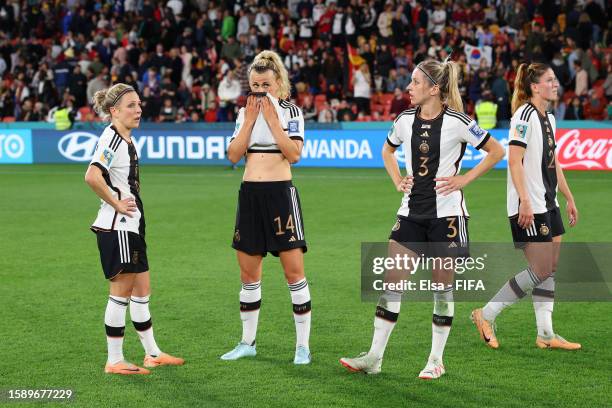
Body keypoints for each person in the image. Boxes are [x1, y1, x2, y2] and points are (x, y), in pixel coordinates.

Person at [339, 59, 504, 379]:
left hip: (447, 217)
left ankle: (436, 360)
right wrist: (396, 178)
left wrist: (464, 180)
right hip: (411, 212)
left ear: (434, 88)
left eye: (415, 82)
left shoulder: (458, 121)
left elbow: (496, 151)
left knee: (442, 290)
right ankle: (374, 357)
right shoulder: (404, 120)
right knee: (392, 284)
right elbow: (387, 151)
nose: (408, 87)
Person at [471, 63, 581, 351]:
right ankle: (486, 314)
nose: (555, 84)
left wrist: (568, 197)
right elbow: (514, 160)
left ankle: (546, 334)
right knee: (541, 268)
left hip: (549, 201)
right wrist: (524, 201)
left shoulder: (550, 118)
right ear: (535, 86)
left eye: (555, 79)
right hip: (529, 203)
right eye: (550, 80)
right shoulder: (524, 115)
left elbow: (553, 162)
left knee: (550, 267)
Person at [85, 83, 185, 375]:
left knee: (142, 291)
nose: (138, 109)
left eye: (139, 104)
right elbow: (92, 176)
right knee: (120, 294)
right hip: (119, 229)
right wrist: (116, 203)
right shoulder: (113, 139)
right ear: (114, 111)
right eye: (131, 105)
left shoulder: (125, 139)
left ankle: (152, 353)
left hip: (132, 227)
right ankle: (114, 360)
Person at [222, 50, 311, 365]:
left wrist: (273, 121)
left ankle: (302, 347)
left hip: (280, 195)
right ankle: (247, 342)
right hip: (250, 195)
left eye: (266, 85)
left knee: (294, 273)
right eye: (255, 85)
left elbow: (294, 154)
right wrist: (248, 122)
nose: (260, 91)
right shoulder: (243, 113)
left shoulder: (290, 111)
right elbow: (233, 156)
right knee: (248, 275)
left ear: (278, 83)